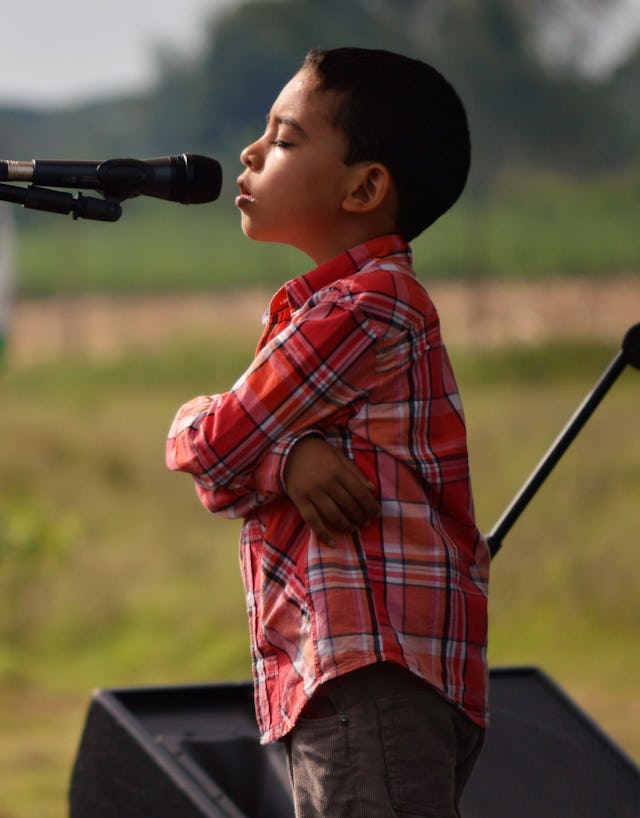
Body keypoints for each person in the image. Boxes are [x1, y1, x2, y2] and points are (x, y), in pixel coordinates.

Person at [166, 46, 490, 818]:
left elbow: (212, 447)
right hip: (345, 673)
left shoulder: (363, 308)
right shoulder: (334, 309)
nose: (248, 152)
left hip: (367, 670)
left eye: (282, 139)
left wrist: (257, 451)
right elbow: (226, 458)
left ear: (365, 187)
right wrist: (286, 458)